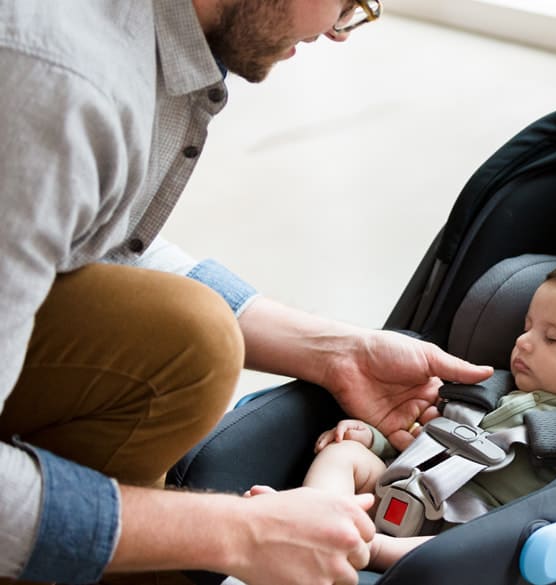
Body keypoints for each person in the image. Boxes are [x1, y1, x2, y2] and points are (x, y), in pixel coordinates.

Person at [0, 1, 494, 584]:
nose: (340, 31)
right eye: (344, 3)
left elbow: (94, 239)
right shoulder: (56, 86)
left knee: (187, 336)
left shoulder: (130, 41)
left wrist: (336, 352)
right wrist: (236, 532)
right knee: (191, 341)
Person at [297, 256, 556, 570]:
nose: (523, 342)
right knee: (344, 455)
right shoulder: (487, 390)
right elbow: (417, 440)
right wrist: (372, 440)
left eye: (552, 338)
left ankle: (369, 550)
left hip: (470, 529)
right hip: (408, 484)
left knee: (459, 549)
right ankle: (317, 518)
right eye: (527, 326)